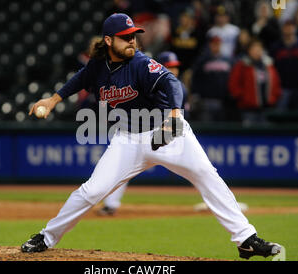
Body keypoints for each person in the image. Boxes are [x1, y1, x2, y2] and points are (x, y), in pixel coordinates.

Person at [21, 13, 281, 260]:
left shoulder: (141, 63)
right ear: (109, 41)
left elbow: (172, 83)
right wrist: (54, 99)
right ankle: (46, 237)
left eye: (133, 35)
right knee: (92, 191)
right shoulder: (98, 66)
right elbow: (80, 78)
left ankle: (246, 240)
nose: (132, 40)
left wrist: (176, 115)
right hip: (128, 140)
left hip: (166, 131)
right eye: (125, 36)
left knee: (206, 174)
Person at [97, 50, 189, 216]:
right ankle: (110, 204)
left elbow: (181, 114)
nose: (173, 71)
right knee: (122, 167)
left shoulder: (180, 88)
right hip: (146, 131)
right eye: (169, 67)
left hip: (171, 131)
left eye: (175, 67)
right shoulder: (148, 83)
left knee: (196, 168)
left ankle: (212, 199)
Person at [228, 39, 282, 125]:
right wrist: (244, 98)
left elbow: (277, 83)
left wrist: (274, 98)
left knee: (266, 135)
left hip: (266, 108)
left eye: (259, 49)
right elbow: (233, 85)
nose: (257, 51)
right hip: (248, 109)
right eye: (254, 49)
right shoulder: (241, 66)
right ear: (249, 50)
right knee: (249, 135)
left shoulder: (268, 65)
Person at [191, 36, 234, 122]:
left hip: (223, 101)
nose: (215, 46)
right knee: (206, 128)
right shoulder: (202, 60)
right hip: (206, 100)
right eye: (213, 44)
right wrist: (196, 93)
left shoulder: (228, 60)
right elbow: (196, 78)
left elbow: (231, 80)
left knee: (222, 129)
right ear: (210, 45)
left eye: (217, 44)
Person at [270, 21, 298, 111]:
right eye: (286, 28)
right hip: (282, 88)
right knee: (280, 117)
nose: (288, 31)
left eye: (291, 28)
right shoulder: (276, 47)